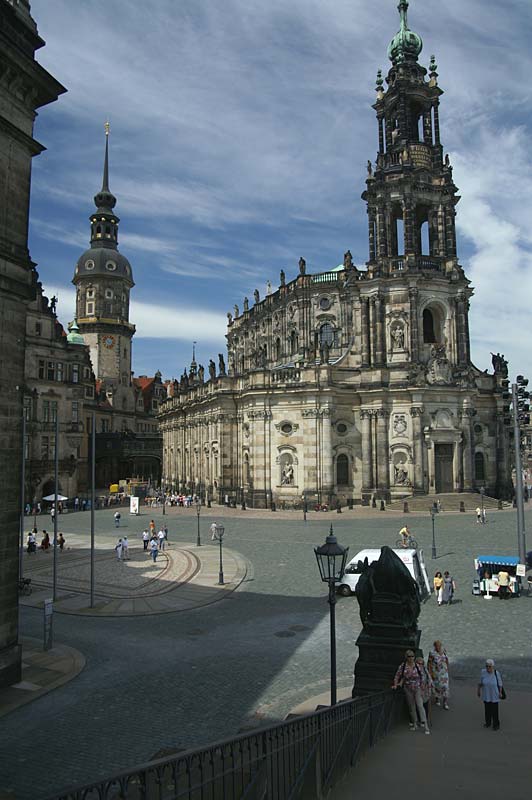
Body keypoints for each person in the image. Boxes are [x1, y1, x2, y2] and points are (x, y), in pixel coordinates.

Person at [393, 650, 430, 734]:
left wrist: (423, 685)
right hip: (408, 688)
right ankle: (415, 724)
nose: (411, 658)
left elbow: (422, 676)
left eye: (412, 656)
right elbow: (397, 676)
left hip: (417, 688)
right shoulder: (403, 667)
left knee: (420, 705)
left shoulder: (417, 666)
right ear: (406, 657)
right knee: (411, 707)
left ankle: (425, 725)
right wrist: (395, 684)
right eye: (409, 656)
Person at [477, 659, 503, 730]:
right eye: (487, 666)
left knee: (495, 710)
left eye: (489, 666)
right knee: (487, 709)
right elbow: (480, 683)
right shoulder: (483, 672)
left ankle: (496, 725)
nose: (488, 668)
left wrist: (500, 693)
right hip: (486, 694)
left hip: (494, 694)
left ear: (493, 666)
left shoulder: (496, 673)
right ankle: (488, 723)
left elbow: (500, 684)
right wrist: (478, 691)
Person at [428, 640, 450, 709]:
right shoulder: (432, 653)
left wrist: (447, 668)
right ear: (434, 646)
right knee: (437, 687)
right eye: (437, 645)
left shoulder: (444, 651)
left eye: (439, 645)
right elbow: (429, 663)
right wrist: (430, 673)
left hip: (444, 673)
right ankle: (437, 699)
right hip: (436, 673)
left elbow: (446, 660)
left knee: (445, 687)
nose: (438, 647)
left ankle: (445, 703)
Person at [416, 656, 433, 724]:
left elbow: (429, 678)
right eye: (419, 663)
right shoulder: (415, 670)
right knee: (419, 705)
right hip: (418, 690)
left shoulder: (425, 670)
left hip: (425, 690)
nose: (420, 665)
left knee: (425, 704)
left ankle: (424, 719)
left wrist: (430, 685)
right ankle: (420, 719)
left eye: (422, 664)